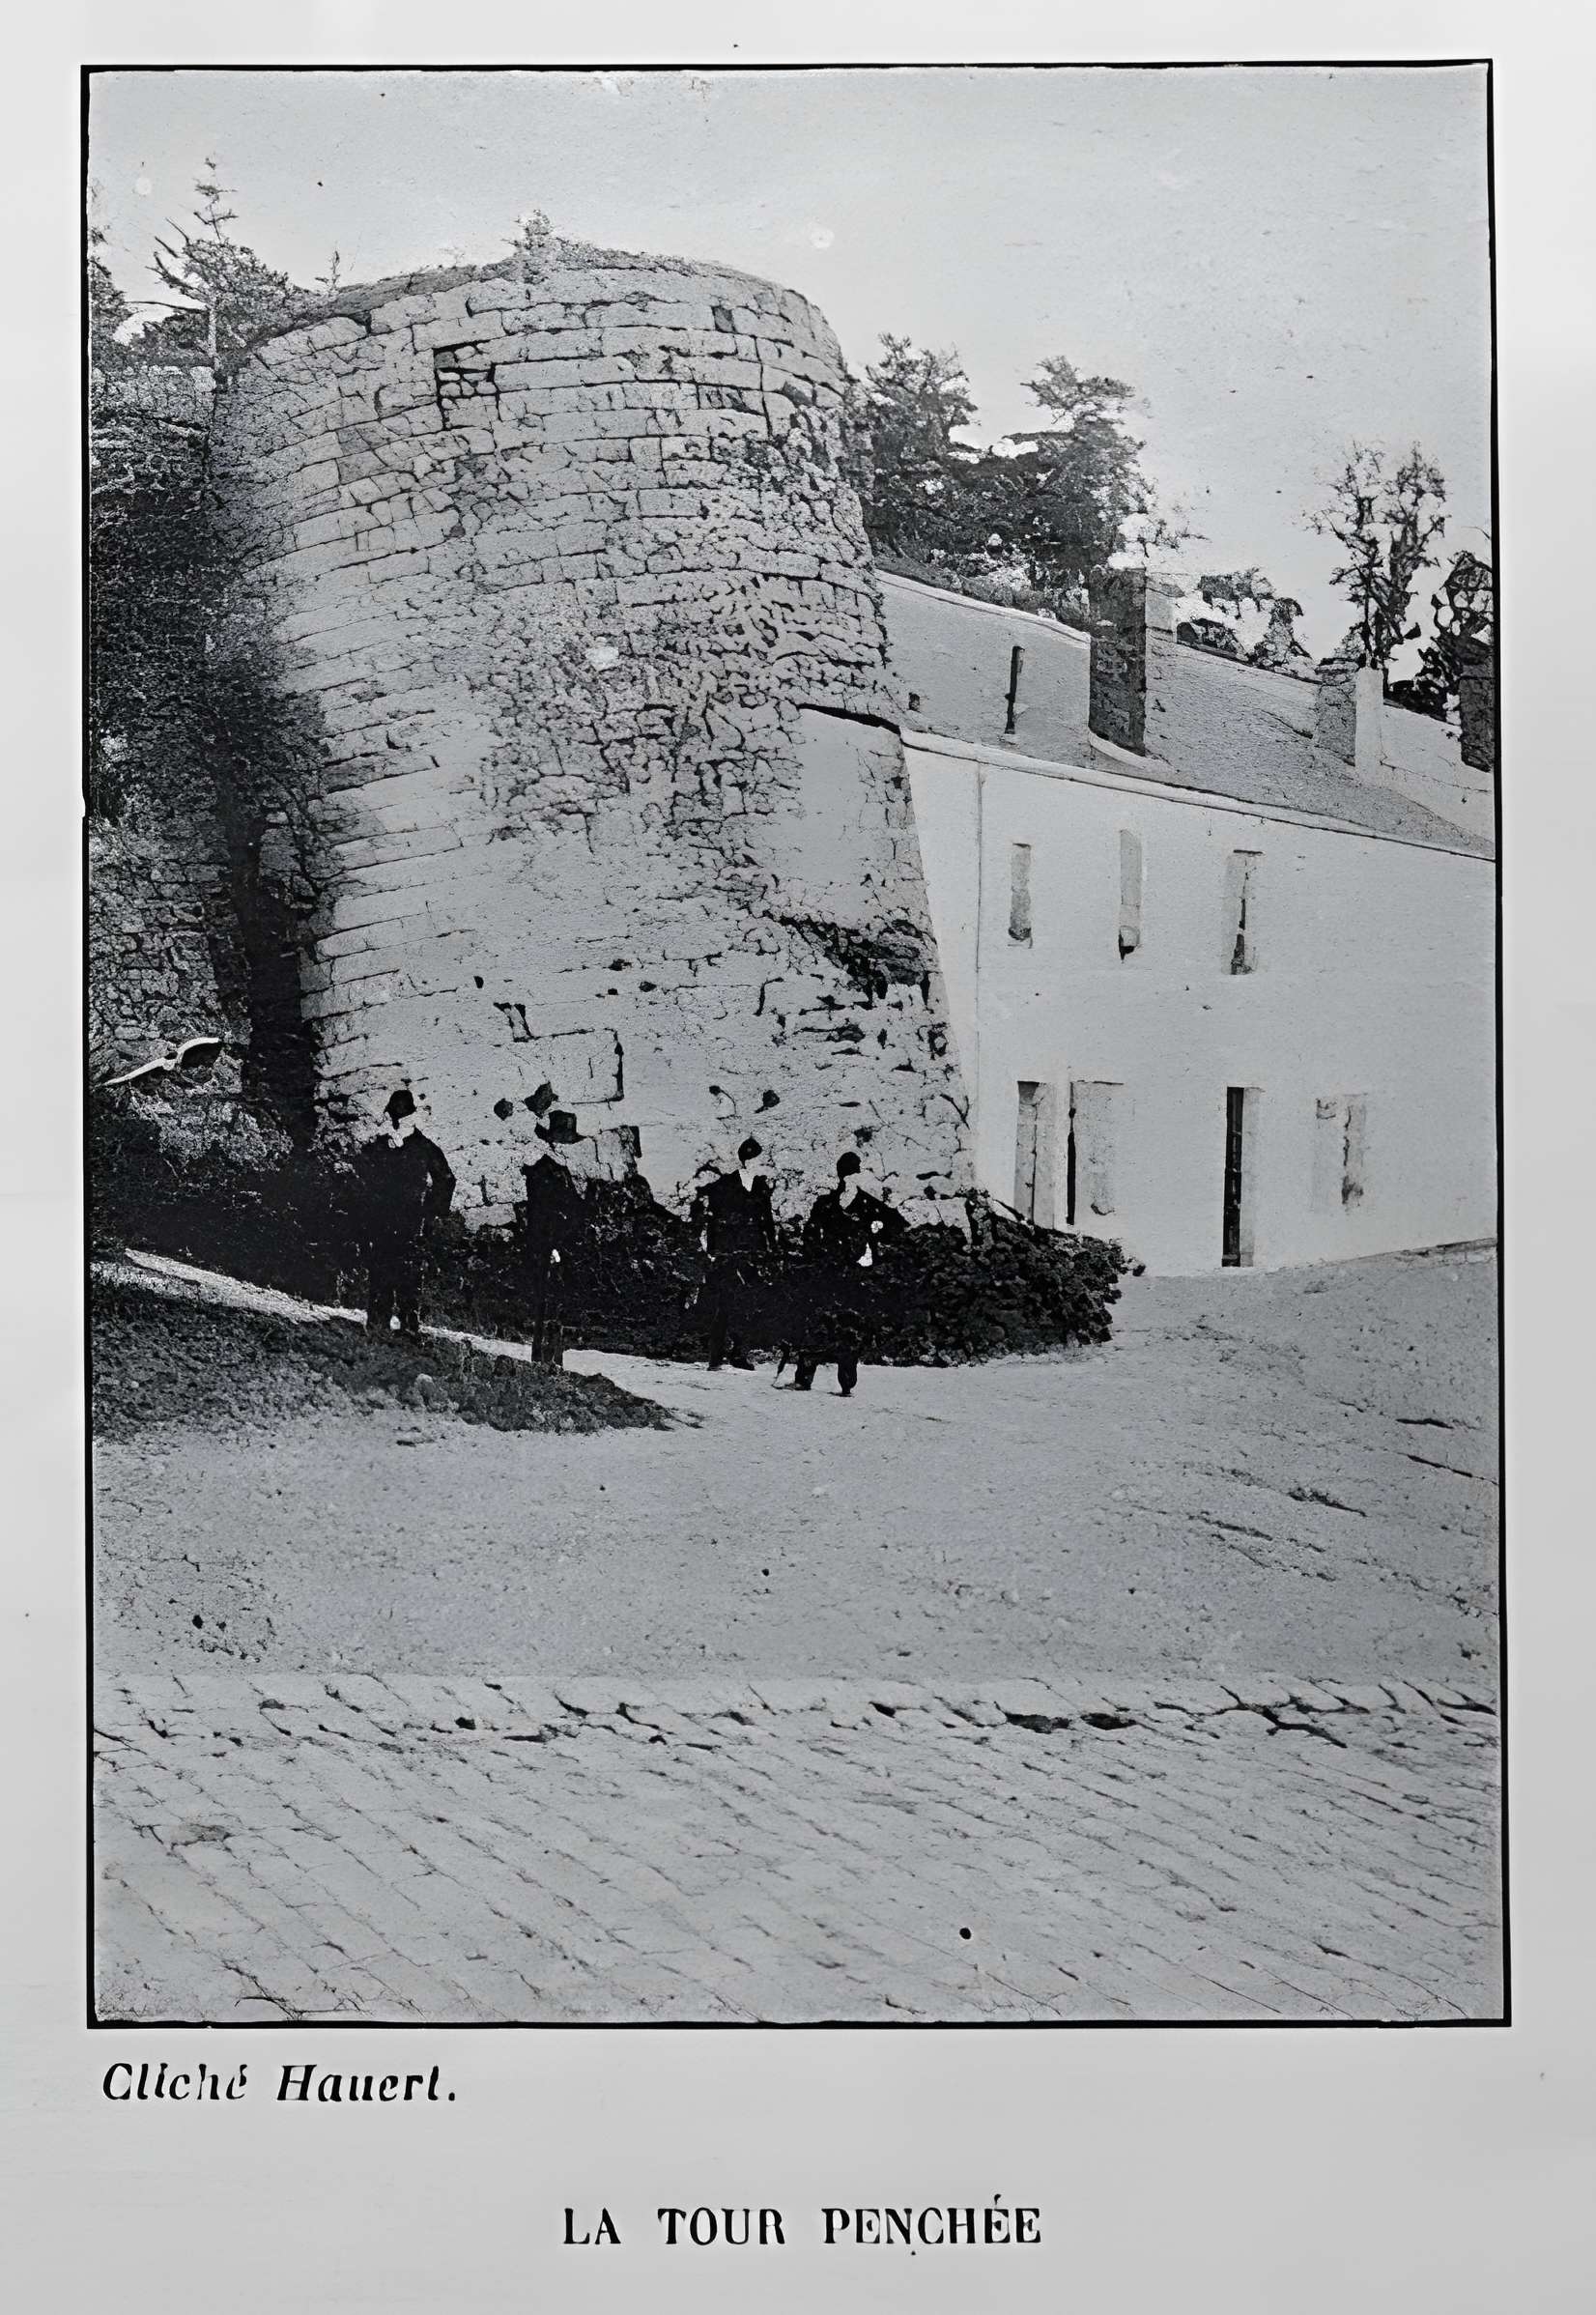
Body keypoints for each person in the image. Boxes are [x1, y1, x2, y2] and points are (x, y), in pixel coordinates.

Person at [792, 1152, 901, 1397]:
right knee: (819, 1323)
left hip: (855, 1275)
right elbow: (809, 1235)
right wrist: (819, 1257)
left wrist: (877, 1231)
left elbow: (895, 1226)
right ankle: (804, 1377)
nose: (852, 1178)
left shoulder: (869, 1205)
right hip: (828, 1273)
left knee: (850, 1327)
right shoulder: (826, 1203)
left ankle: (846, 1381)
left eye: (855, 1174)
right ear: (842, 1176)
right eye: (849, 1174)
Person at [356, 1087, 456, 1338]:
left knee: (408, 1272)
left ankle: (408, 1323)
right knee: (380, 1268)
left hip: (411, 1220)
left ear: (412, 1117)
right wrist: (369, 1207)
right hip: (382, 1218)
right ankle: (377, 1321)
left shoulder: (424, 1148)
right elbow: (363, 1177)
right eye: (394, 1115)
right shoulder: (379, 1146)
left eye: (402, 1116)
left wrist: (430, 1212)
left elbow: (446, 1179)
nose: (397, 1120)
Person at [696, 1134, 777, 1371]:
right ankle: (715, 1356)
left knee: (748, 1304)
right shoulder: (724, 1186)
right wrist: (715, 1252)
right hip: (729, 1255)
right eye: (761, 1160)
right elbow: (714, 1222)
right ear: (749, 1161)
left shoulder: (761, 1187)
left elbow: (767, 1222)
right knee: (725, 1305)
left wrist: (771, 1249)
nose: (764, 1164)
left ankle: (739, 1353)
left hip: (754, 1254)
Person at [520, 1133, 584, 1370]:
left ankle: (548, 1356)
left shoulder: (549, 1172)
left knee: (551, 1305)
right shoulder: (549, 1174)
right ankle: (546, 1357)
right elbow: (545, 1215)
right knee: (548, 1305)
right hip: (548, 1248)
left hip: (550, 1247)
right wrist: (554, 1245)